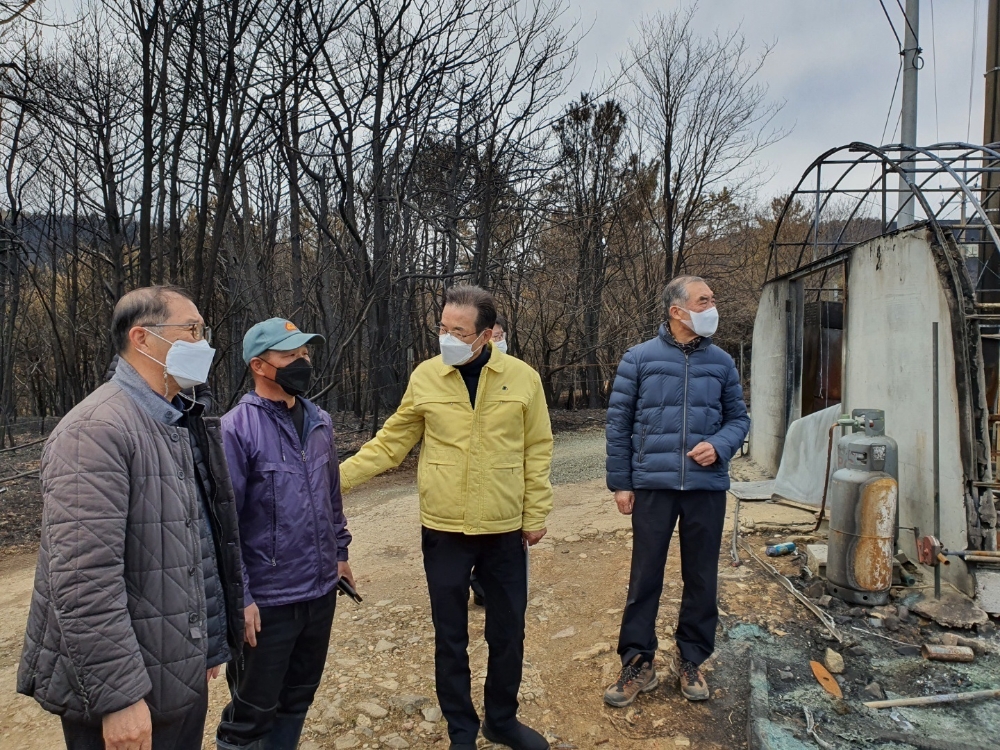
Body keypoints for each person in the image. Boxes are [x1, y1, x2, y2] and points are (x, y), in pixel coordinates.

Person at [18, 285, 245, 750]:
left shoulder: (177, 420)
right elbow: (84, 580)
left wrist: (203, 642)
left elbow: (194, 542)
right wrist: (119, 698)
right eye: (192, 330)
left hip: (173, 670)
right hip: (127, 691)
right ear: (142, 338)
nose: (204, 344)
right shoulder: (95, 431)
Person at [339, 285, 553, 750]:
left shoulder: (522, 378)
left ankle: (502, 720)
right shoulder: (426, 377)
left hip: (503, 527)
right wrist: (336, 480)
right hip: (444, 529)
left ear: (487, 335)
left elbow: (537, 448)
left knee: (508, 632)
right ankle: (461, 731)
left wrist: (535, 512)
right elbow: (391, 442)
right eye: (443, 328)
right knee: (450, 636)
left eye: (459, 331)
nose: (447, 338)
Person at [603, 276, 749, 708]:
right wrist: (621, 482)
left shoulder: (722, 361)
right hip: (653, 485)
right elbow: (618, 425)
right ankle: (637, 661)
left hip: (706, 486)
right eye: (704, 300)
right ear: (677, 311)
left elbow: (739, 419)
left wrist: (720, 445)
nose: (712, 306)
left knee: (702, 577)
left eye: (712, 299)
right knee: (645, 576)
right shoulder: (639, 358)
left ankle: (691, 659)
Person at [217, 318, 354, 750]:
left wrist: (340, 554)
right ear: (259, 365)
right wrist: (241, 597)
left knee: (297, 700)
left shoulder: (320, 421)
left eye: (305, 353)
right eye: (290, 355)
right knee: (250, 716)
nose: (302, 362)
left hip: (319, 591)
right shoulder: (235, 429)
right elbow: (226, 525)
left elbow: (331, 496)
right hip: (268, 601)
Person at [468, 313, 511, 608]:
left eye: (500, 336)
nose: (496, 341)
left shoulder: (519, 375)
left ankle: (486, 587)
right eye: (491, 336)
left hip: (502, 484)